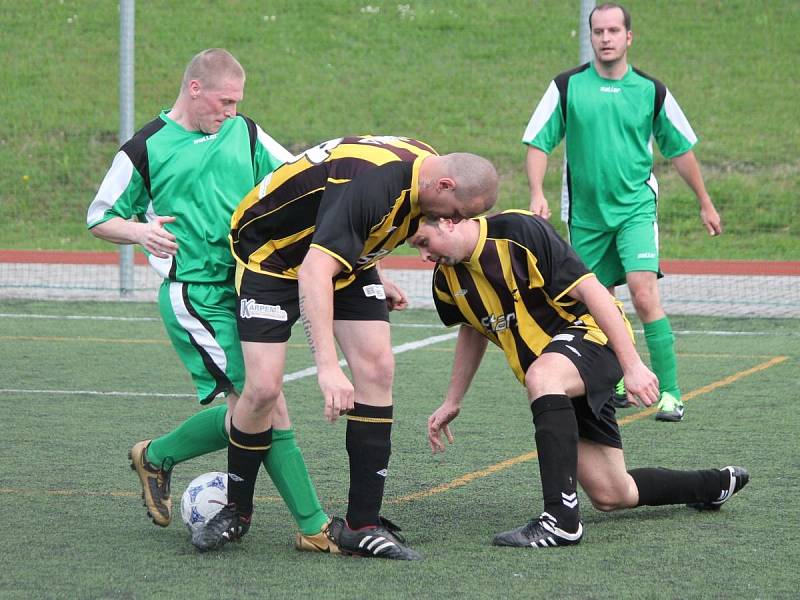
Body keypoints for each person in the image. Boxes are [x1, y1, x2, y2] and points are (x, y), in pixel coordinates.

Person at [190, 135, 498, 558]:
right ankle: (236, 512)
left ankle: (361, 525)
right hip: (275, 256)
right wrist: (328, 367)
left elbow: (364, 222)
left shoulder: (425, 168)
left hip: (343, 259)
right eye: (457, 215)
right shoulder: (373, 180)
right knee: (261, 389)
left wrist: (373, 264)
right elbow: (315, 269)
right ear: (443, 186)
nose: (451, 225)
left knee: (377, 369)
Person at [87, 48, 337, 553]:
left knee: (262, 402)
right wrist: (139, 231)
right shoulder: (145, 147)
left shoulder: (244, 131)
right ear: (195, 89)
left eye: (237, 102)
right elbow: (99, 216)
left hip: (252, 286)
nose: (230, 111)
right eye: (224, 101)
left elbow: (297, 177)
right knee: (264, 401)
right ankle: (313, 526)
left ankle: (156, 455)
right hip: (196, 295)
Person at [410, 211, 748, 547]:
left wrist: (632, 365)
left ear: (449, 220)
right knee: (613, 493)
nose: (424, 256)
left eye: (424, 242)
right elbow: (473, 328)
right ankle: (713, 485)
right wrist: (453, 399)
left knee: (542, 375)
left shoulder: (518, 229)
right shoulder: (446, 278)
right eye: (415, 248)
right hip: (558, 377)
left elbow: (592, 290)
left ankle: (560, 520)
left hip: (592, 337)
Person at [522, 2, 723, 421]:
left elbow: (680, 149)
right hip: (586, 216)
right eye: (599, 32)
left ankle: (670, 392)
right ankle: (614, 380)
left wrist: (704, 202)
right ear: (591, 37)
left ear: (628, 37)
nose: (606, 38)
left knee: (643, 292)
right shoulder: (566, 87)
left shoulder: (651, 90)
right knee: (598, 302)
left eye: (614, 31)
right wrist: (537, 192)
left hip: (635, 208)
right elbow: (538, 142)